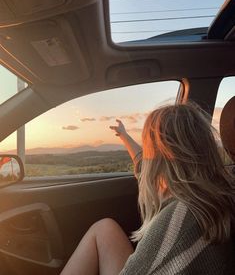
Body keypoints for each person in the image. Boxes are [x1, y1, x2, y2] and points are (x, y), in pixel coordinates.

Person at [60, 102, 235, 275]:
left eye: (149, 149)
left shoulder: (177, 222)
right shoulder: (221, 186)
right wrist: (124, 136)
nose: (146, 159)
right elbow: (141, 164)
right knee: (104, 229)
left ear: (159, 161)